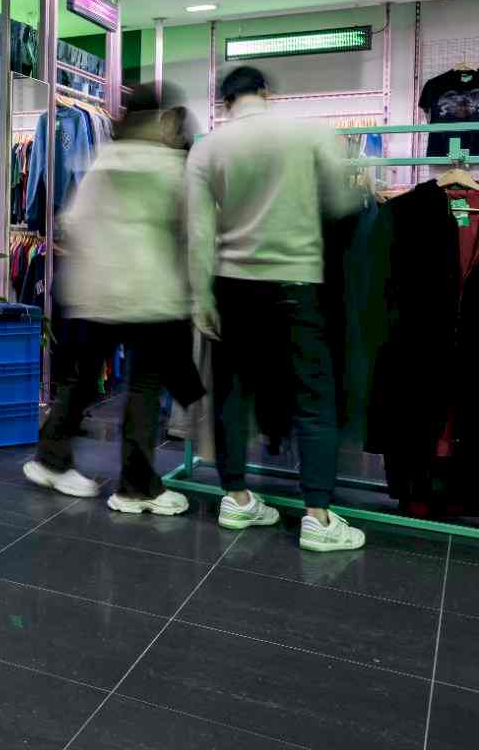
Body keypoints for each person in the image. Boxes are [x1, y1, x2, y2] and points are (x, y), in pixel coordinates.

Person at [186, 66, 365, 551]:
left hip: (232, 286)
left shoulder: (207, 148)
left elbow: (200, 233)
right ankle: (318, 515)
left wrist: (202, 299)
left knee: (231, 395)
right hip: (296, 281)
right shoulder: (308, 132)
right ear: (267, 93)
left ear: (224, 102)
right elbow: (344, 203)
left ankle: (237, 497)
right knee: (313, 397)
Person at [24, 87, 206, 513]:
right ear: (163, 120)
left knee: (82, 380)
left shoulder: (102, 160)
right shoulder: (172, 166)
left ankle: (51, 457)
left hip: (94, 291)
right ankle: (136, 487)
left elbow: (71, 222)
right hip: (148, 294)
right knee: (143, 388)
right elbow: (192, 234)